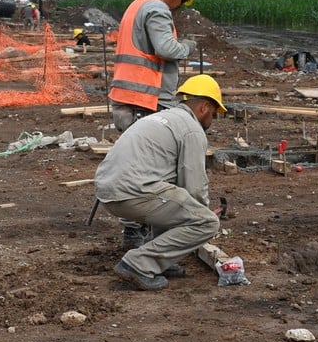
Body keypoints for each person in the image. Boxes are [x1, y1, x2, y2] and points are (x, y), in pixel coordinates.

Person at [95, 74, 227, 291]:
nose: (212, 121)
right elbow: (194, 188)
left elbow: (174, 193)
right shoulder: (191, 129)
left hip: (110, 189)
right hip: (132, 192)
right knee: (206, 222)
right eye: (213, 114)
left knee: (171, 196)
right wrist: (199, 215)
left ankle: (160, 259)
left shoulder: (163, 118)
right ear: (204, 108)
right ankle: (138, 264)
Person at [107, 0, 199, 248]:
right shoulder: (157, 9)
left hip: (129, 98)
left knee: (138, 168)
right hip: (144, 102)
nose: (179, 6)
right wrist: (189, 46)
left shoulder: (138, 3)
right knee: (151, 172)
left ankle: (138, 234)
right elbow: (166, 48)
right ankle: (143, 239)